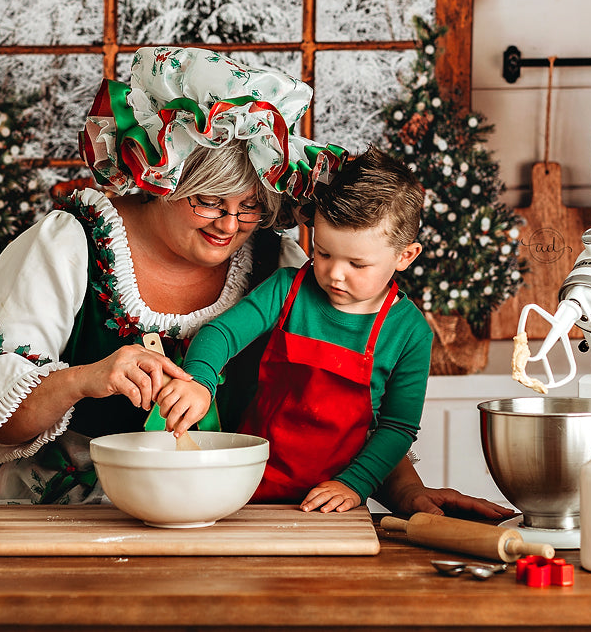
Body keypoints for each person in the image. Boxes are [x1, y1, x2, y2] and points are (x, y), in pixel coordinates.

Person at [0, 46, 512, 521]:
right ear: (160, 177)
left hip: (214, 512)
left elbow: (331, 408)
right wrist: (87, 379)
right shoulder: (70, 245)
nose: (230, 224)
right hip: (51, 514)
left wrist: (408, 494)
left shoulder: (276, 258)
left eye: (249, 205)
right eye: (208, 202)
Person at [157, 147, 430, 514]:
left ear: (405, 256)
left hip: (332, 500)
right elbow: (220, 333)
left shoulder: (410, 333)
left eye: (357, 264)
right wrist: (199, 380)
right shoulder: (288, 289)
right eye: (324, 253)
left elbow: (397, 427)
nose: (334, 273)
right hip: (247, 486)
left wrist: (355, 483)